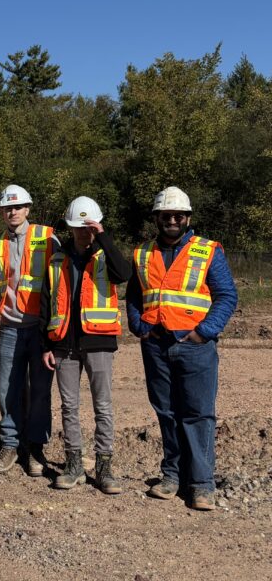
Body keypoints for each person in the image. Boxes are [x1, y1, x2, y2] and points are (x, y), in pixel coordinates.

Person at [127, 186, 237, 511]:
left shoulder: (207, 251)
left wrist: (204, 333)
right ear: (157, 219)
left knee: (198, 415)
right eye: (166, 216)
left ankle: (202, 484)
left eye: (177, 216)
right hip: (156, 345)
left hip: (194, 346)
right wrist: (139, 326)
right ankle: (172, 476)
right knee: (166, 413)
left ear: (187, 218)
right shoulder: (143, 253)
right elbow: (134, 296)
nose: (172, 220)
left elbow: (227, 296)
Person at [41, 197, 130, 494]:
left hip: (99, 341)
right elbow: (46, 302)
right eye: (78, 227)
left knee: (102, 405)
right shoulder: (57, 258)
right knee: (69, 406)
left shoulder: (106, 254)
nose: (83, 232)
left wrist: (102, 236)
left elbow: (124, 274)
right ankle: (74, 464)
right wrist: (46, 345)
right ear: (70, 227)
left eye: (88, 227)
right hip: (64, 342)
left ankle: (104, 467)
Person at [0, 184, 58, 476]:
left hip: (40, 329)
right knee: (8, 388)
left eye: (17, 207)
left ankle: (36, 447)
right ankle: (11, 444)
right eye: (7, 208)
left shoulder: (48, 237)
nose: (12, 212)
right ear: (2, 212)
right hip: (10, 327)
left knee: (40, 390)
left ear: (27, 209)